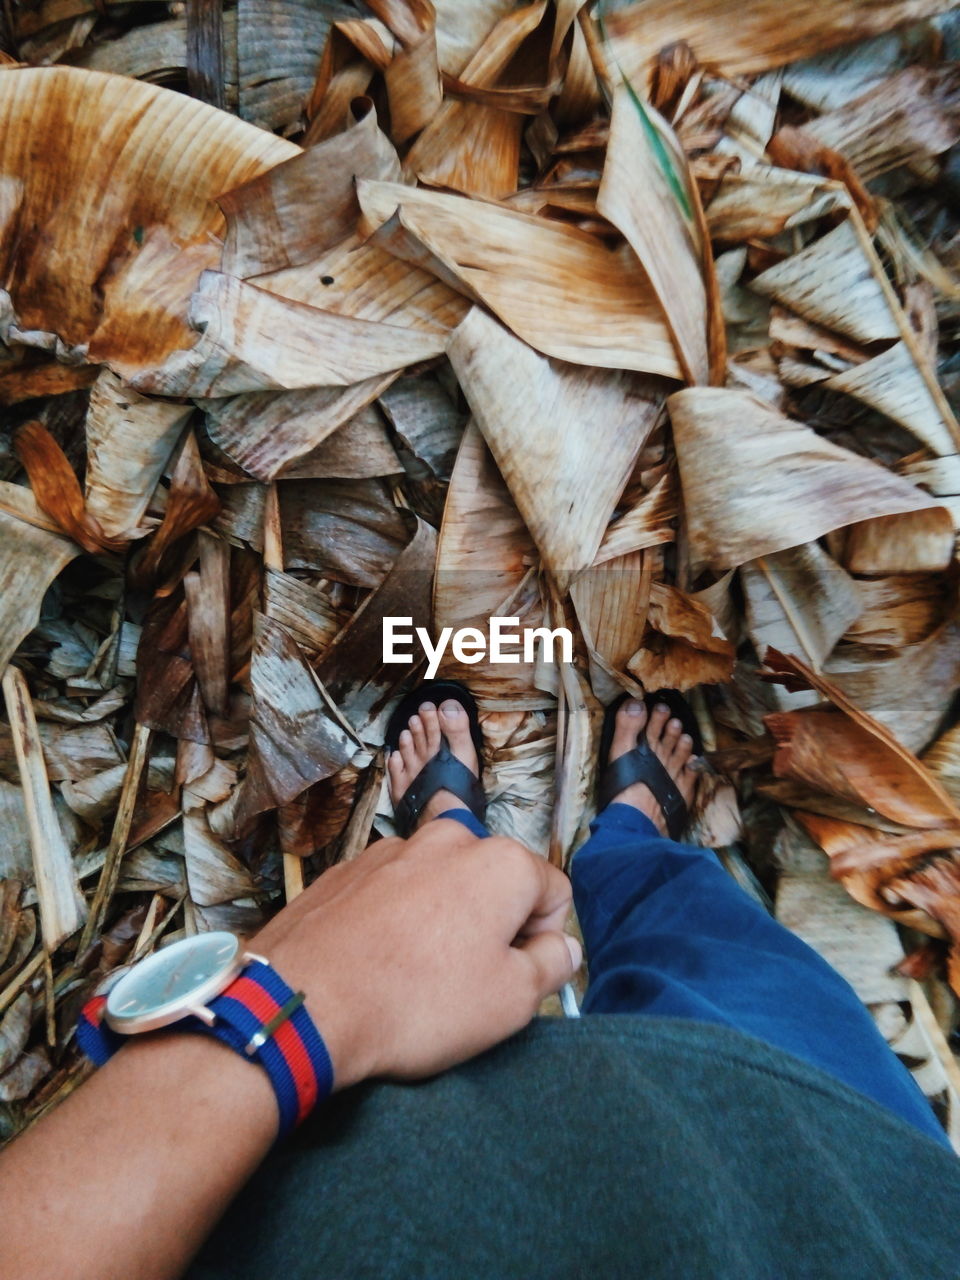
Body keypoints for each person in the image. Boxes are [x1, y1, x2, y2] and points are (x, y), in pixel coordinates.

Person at [1, 690, 959, 1280]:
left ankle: (444, 830)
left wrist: (295, 1005)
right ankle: (628, 836)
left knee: (701, 955)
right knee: (701, 941)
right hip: (841, 1168)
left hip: (360, 1172)